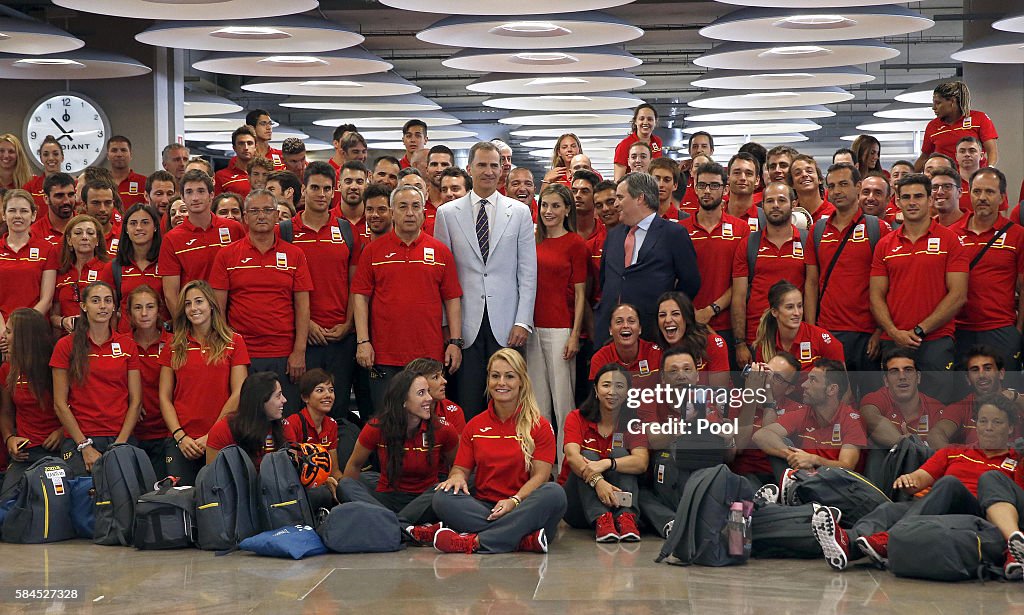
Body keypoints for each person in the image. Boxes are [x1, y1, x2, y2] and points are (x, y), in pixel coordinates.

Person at [812, 393, 1018, 572]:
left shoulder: (1017, 459)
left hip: (978, 515)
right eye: (983, 421)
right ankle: (849, 545)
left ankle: (889, 539)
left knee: (949, 484)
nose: (988, 428)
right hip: (937, 507)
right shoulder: (954, 452)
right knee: (888, 510)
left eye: (997, 422)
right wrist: (910, 479)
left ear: (1010, 429)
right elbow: (921, 477)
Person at [433, 142, 537, 419]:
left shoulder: (519, 212)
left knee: (508, 400)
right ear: (469, 169)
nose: (489, 171)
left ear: (502, 169)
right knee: (468, 400)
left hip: (508, 324)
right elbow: (443, 278)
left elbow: (527, 272)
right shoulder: (447, 214)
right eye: (482, 165)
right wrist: (447, 326)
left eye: (494, 165)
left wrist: (522, 321)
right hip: (465, 323)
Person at [432, 349, 567, 553]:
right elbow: (460, 469)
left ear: (521, 381)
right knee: (442, 497)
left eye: (509, 376)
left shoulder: (540, 425)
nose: (501, 382)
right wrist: (457, 477)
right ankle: (521, 539)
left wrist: (514, 501)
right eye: (495, 376)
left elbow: (541, 477)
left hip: (524, 504)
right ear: (488, 380)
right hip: (485, 509)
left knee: (554, 493)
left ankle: (476, 541)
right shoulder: (475, 426)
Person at [353, 184, 462, 410]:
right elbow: (360, 298)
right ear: (392, 212)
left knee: (429, 421)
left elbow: (452, 299)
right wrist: (363, 342)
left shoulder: (441, 251)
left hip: (429, 355)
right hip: (384, 355)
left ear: (424, 211)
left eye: (415, 207)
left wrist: (455, 342)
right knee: (387, 421)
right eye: (403, 207)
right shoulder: (373, 251)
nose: (410, 213)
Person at [211, 189, 313, 411]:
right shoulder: (227, 255)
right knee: (247, 419)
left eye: (267, 210)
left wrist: (299, 351)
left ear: (277, 216)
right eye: (254, 211)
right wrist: (227, 350)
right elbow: (218, 309)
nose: (261, 216)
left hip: (284, 354)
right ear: (245, 218)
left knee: (283, 418)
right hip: (242, 353)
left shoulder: (295, 255)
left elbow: (303, 307)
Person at [870, 173, 968, 404]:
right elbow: (875, 296)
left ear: (930, 200)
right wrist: (894, 332)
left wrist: (919, 331)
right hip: (893, 341)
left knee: (937, 409)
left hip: (935, 340)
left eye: (918, 196)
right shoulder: (885, 244)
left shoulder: (950, 241)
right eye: (906, 197)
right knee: (896, 410)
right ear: (898, 202)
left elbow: (958, 295)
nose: (912, 202)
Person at [806, 163, 889, 395]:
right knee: (832, 403)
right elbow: (811, 283)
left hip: (867, 334)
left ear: (858, 187)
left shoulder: (878, 229)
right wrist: (813, 330)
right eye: (831, 186)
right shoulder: (818, 230)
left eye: (843, 184)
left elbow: (888, 287)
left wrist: (880, 331)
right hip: (828, 332)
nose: (837, 191)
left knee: (870, 403)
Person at [340, 369, 458, 531]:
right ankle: (404, 526)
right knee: (346, 485)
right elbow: (354, 465)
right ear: (403, 400)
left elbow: (458, 467)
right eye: (421, 393)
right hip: (387, 497)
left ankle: (387, 524)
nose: (429, 399)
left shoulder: (443, 429)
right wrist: (349, 506)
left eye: (428, 392)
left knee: (445, 491)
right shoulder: (377, 427)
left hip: (426, 500)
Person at [159, 280, 249, 485]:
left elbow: (239, 393)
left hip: (221, 437)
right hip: (182, 441)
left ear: (211, 304)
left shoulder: (234, 341)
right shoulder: (173, 346)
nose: (193, 308)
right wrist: (180, 437)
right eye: (188, 304)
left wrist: (212, 435)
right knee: (182, 505)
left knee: (220, 503)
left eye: (198, 301)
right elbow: (164, 397)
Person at [595, 172, 700, 347]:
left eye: (620, 197)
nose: (616, 204)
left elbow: (691, 282)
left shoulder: (673, 234)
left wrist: (666, 312)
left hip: (651, 333)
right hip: (608, 335)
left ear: (640, 198)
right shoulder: (613, 235)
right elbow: (605, 279)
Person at [50, 281, 141, 474]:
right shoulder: (65, 345)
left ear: (114, 306)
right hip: (81, 439)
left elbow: (136, 401)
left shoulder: (127, 345)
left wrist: (120, 445)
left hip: (120, 437)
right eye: (96, 300)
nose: (103, 306)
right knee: (85, 499)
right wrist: (84, 446)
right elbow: (59, 403)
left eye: (108, 301)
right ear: (83, 306)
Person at [527, 183, 587, 462]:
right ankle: (543, 463)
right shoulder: (532, 239)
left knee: (563, 401)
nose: (548, 211)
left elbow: (580, 293)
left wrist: (575, 334)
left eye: (555, 206)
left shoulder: (575, 244)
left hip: (561, 328)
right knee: (537, 403)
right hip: (532, 328)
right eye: (545, 206)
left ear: (566, 210)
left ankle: (566, 463)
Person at [561, 364, 648, 542]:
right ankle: (601, 518)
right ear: (596, 389)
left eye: (619, 386)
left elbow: (641, 462)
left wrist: (608, 463)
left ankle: (626, 518)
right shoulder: (576, 417)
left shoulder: (634, 422)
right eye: (606, 385)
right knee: (588, 456)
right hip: (576, 506)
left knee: (620, 454)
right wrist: (598, 481)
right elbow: (572, 456)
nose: (612, 392)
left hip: (617, 503)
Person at [952, 167, 1024, 376]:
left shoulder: (1017, 235)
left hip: (1001, 329)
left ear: (1002, 198)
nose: (982, 198)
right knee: (962, 399)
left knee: (1006, 397)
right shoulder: (951, 235)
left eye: (990, 192)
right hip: (959, 330)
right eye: (977, 191)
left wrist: (1018, 331)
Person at [732, 181, 805, 368]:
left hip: (795, 337)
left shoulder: (807, 241)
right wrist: (740, 343)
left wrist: (810, 335)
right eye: (770, 201)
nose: (775, 205)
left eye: (781, 200)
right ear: (762, 206)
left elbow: (813, 290)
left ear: (794, 204)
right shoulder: (749, 244)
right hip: (756, 338)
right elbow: (739, 297)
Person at [682, 162, 749, 362]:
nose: (707, 191)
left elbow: (740, 283)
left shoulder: (741, 229)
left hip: (728, 326)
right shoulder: (680, 230)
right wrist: (693, 313)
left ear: (725, 189)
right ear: (694, 188)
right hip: (689, 324)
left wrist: (711, 310)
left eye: (714, 185)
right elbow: (674, 279)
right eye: (702, 185)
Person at [752, 359, 865, 477]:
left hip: (842, 488)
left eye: (813, 380)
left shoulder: (852, 420)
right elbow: (761, 435)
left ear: (832, 389)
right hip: (807, 483)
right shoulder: (804, 413)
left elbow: (847, 467)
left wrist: (814, 460)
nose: (803, 385)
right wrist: (792, 455)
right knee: (780, 444)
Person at [159, 169, 246, 315]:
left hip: (234, 316)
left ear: (211, 195)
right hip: (195, 319)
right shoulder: (172, 239)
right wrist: (184, 327)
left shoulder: (234, 228)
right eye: (189, 192)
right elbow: (170, 294)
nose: (195, 198)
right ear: (182, 197)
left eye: (200, 191)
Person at [0, 309, 60, 495]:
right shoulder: (7, 369)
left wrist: (62, 432)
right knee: (8, 504)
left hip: (59, 449)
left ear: (24, 337)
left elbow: (75, 406)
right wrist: (9, 438)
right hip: (26, 453)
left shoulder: (55, 366)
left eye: (9, 332)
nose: (4, 336)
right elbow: (6, 413)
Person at [859, 348, 951, 450]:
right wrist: (907, 444)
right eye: (894, 371)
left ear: (918, 377)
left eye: (908, 370)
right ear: (886, 381)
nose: (902, 377)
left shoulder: (937, 409)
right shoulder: (875, 399)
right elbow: (870, 418)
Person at [126, 284, 172, 477]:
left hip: (167, 432)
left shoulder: (173, 343)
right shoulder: (121, 345)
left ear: (159, 310)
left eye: (150, 307)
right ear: (129, 313)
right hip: (132, 432)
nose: (144, 313)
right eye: (138, 307)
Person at [754, 280, 845, 373]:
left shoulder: (822, 340)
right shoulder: (765, 345)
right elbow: (762, 386)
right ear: (774, 312)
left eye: (800, 306)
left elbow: (842, 385)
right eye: (790, 307)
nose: (797, 313)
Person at [99, 203, 164, 333]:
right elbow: (108, 310)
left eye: (145, 222)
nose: (139, 228)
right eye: (133, 223)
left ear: (155, 226)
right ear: (126, 229)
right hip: (126, 340)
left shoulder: (167, 263)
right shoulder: (113, 268)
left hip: (162, 338)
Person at [205, 371, 288, 467]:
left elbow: (289, 472)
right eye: (278, 396)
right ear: (260, 401)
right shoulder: (223, 430)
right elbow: (212, 475)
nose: (284, 400)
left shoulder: (284, 426)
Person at [916, 80, 998, 171]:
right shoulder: (933, 126)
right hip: (947, 179)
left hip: (974, 177)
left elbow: (992, 151)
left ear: (952, 101)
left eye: (938, 103)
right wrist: (907, 178)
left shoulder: (979, 118)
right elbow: (924, 157)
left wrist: (989, 170)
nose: (933, 107)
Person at [0, 189, 57, 320]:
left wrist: (22, 327)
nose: (18, 216)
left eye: (24, 211)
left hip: (33, 327)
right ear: (4, 215)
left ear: (33, 215)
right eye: (12, 210)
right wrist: (4, 329)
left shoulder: (47, 249)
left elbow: (46, 300)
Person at [655, 291, 729, 387]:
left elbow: (719, 395)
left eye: (675, 314)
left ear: (687, 318)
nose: (668, 320)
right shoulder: (656, 350)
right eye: (662, 315)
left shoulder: (712, 343)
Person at [51, 214, 108, 336]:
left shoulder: (108, 269)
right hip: (67, 339)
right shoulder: (60, 273)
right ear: (69, 240)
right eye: (78, 233)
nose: (84, 237)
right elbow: (52, 315)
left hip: (99, 338)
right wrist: (62, 321)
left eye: (90, 233)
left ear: (97, 240)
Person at [284, 368, 342, 481]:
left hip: (324, 482)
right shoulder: (293, 423)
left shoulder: (332, 424)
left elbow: (334, 471)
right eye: (320, 390)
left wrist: (344, 485)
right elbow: (291, 471)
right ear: (305, 397)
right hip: (301, 485)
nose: (328, 395)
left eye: (331, 390)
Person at [590, 303, 662, 380]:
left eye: (631, 321)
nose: (625, 325)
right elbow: (596, 391)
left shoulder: (657, 354)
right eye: (619, 321)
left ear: (640, 329)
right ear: (610, 330)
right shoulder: (600, 358)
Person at [406, 357, 465, 434]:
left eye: (442, 376)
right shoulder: (397, 411)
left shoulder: (453, 412)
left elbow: (457, 445)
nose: (444, 381)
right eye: (436, 377)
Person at [613, 104, 662, 181]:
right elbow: (618, 180)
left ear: (655, 122)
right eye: (641, 119)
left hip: (651, 188)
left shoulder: (657, 142)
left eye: (650, 119)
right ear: (635, 121)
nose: (645, 122)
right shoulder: (624, 145)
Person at [31, 172, 76, 247]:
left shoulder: (88, 227)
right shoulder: (34, 233)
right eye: (59, 196)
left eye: (70, 195)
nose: (66, 201)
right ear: (46, 199)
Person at [23, 135, 63, 214]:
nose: (51, 158)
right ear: (41, 158)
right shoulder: (30, 186)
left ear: (62, 157)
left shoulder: (73, 185)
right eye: (46, 154)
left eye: (55, 154)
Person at [106, 136, 148, 210]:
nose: (119, 154)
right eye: (114, 150)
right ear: (107, 155)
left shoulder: (145, 182)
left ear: (131, 155)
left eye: (123, 150)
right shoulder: (100, 181)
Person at [215, 126, 256, 198]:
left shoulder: (265, 174)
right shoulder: (221, 176)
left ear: (255, 147)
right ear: (234, 148)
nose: (246, 148)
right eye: (241, 143)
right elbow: (216, 206)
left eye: (250, 143)